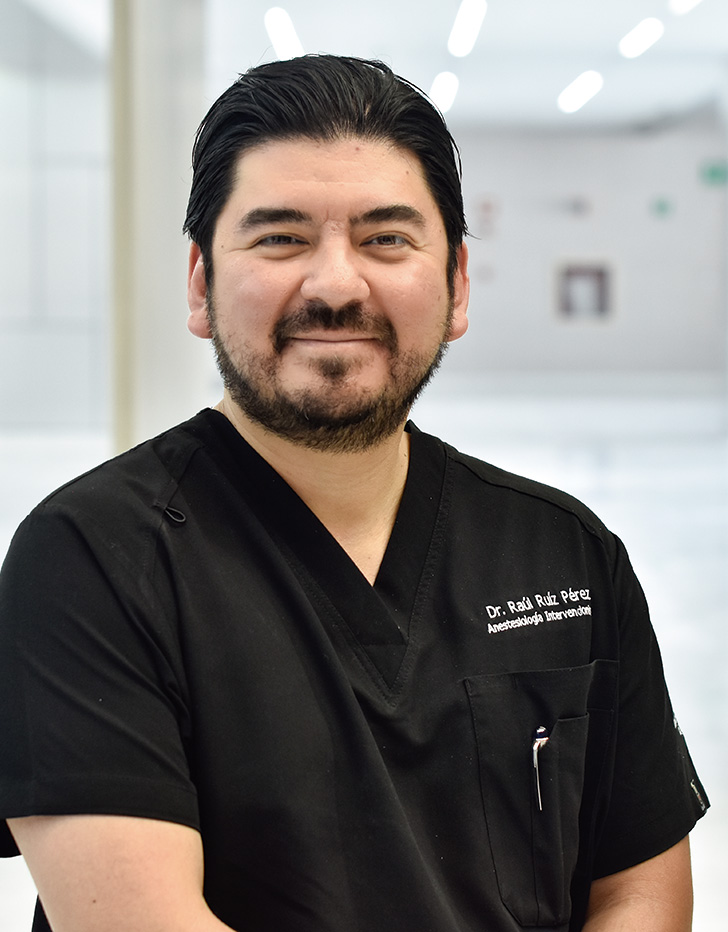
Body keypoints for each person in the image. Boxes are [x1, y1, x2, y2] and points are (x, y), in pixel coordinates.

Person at [0, 54, 708, 932]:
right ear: (200, 283)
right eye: (280, 237)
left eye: (386, 239)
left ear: (454, 286)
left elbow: (640, 890)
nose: (336, 285)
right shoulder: (93, 559)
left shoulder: (565, 551)